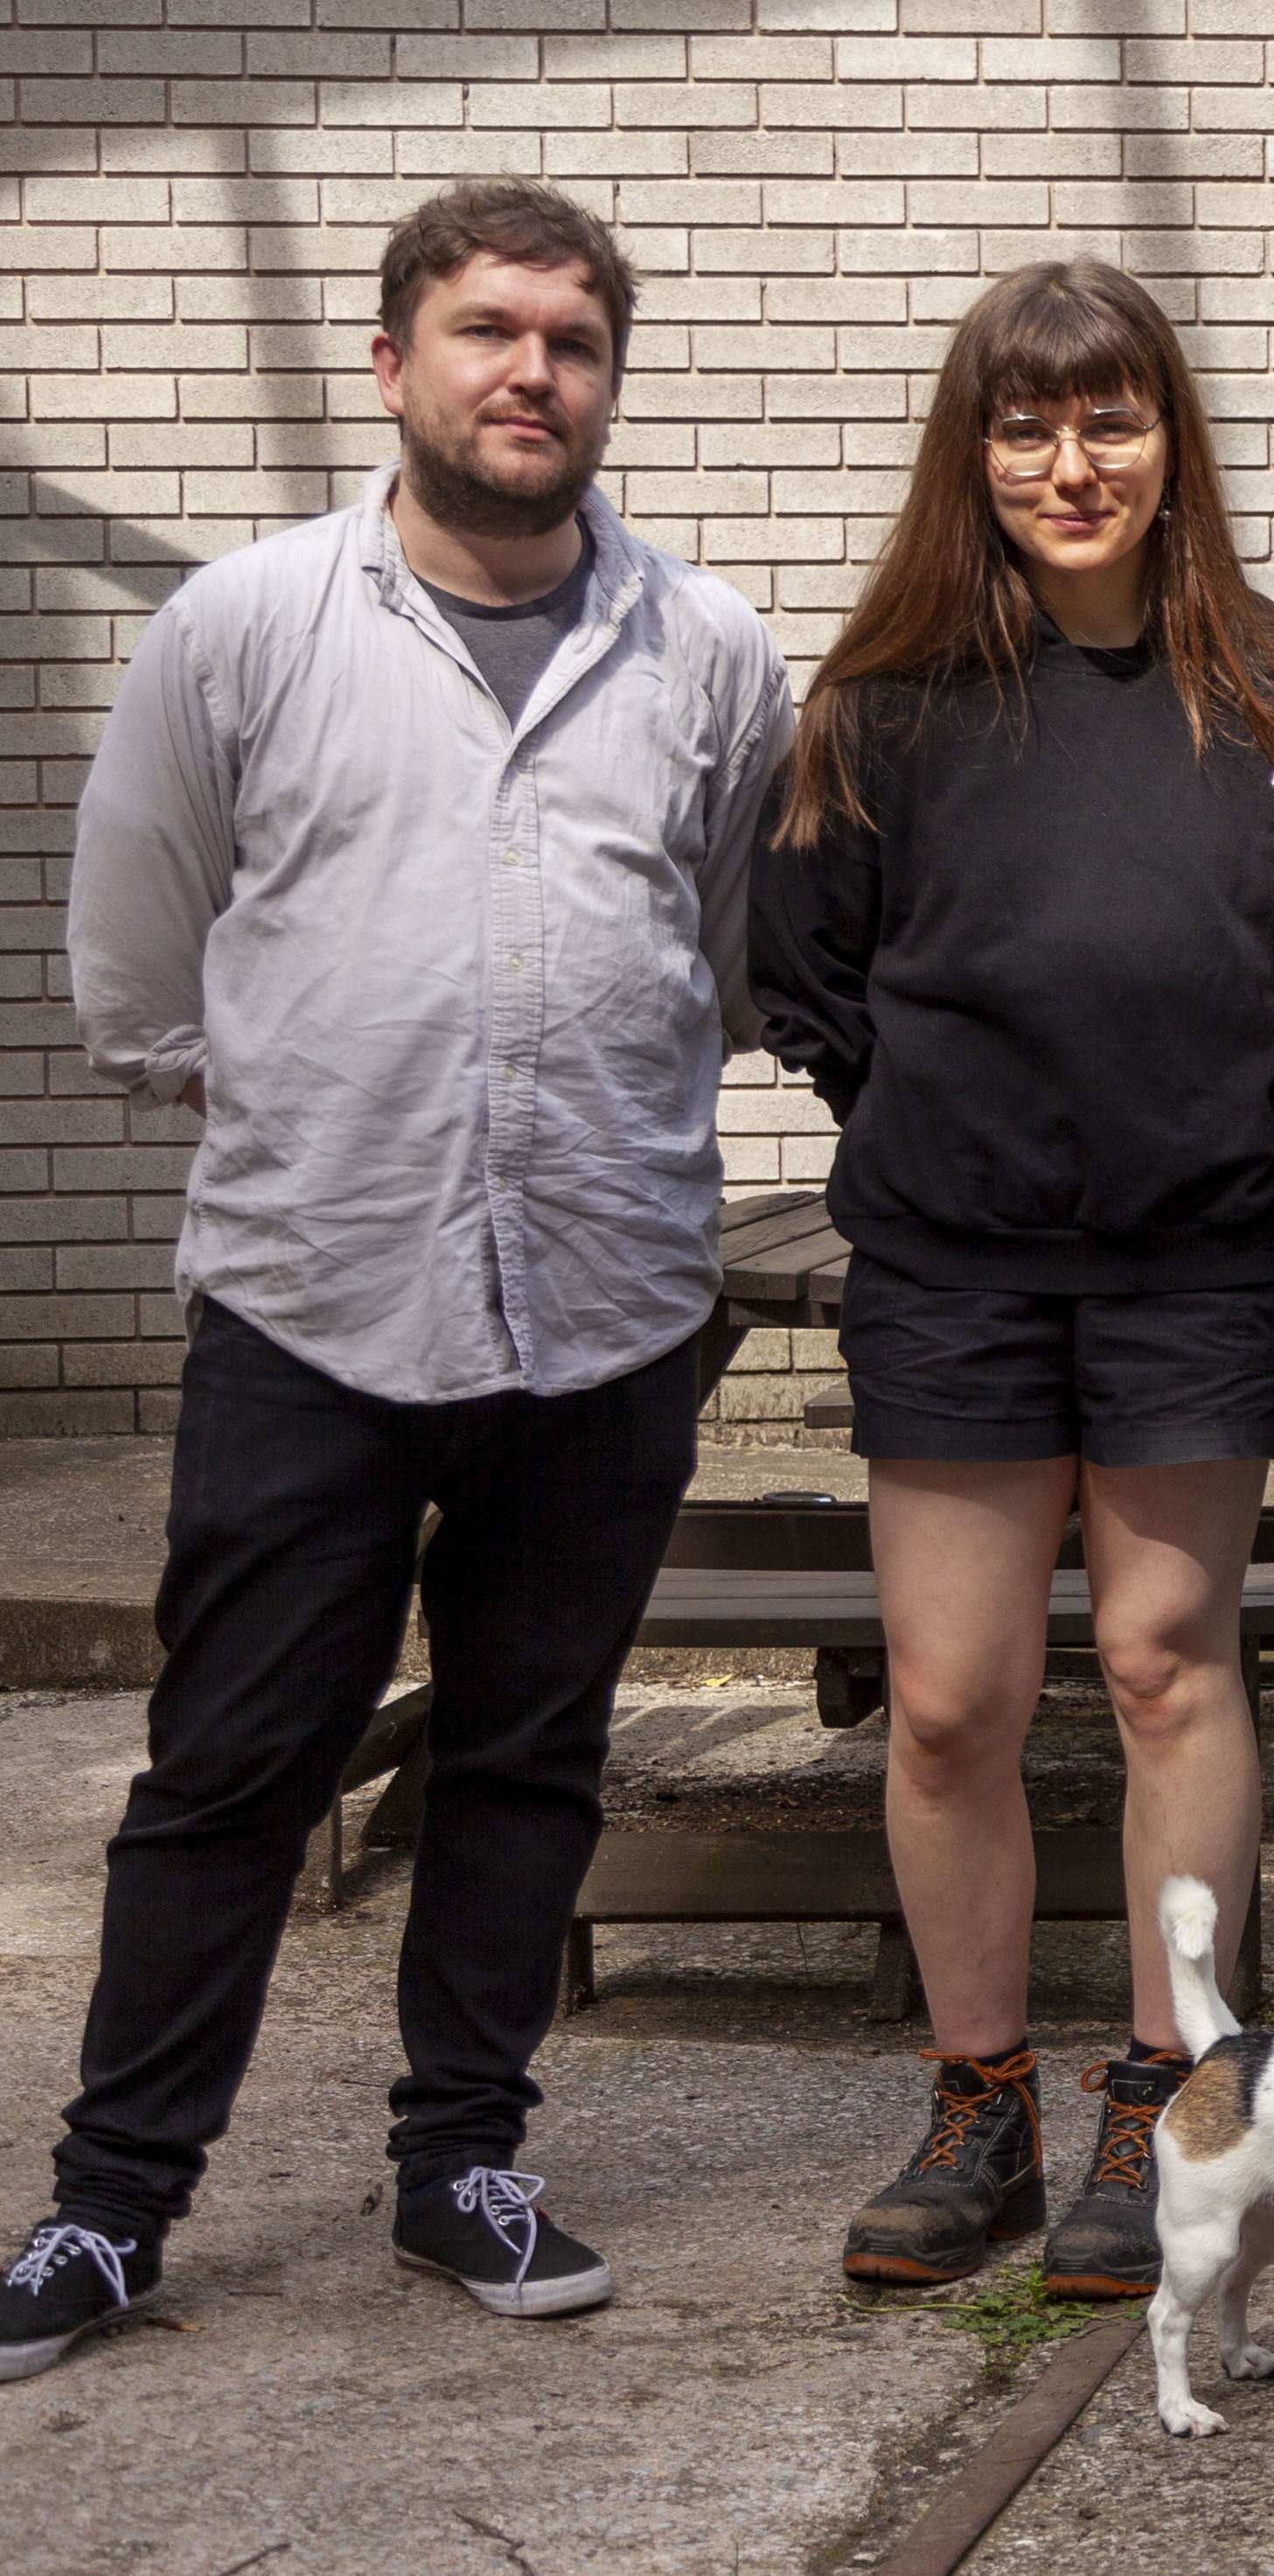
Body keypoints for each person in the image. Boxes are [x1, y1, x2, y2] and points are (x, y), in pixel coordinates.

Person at [10, 182, 791, 2377]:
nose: (528, 371)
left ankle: (461, 2156)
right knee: (227, 1768)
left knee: (528, 1756)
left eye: (570, 339)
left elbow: (720, 964)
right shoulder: (245, 629)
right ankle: (109, 2206)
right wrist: (330, 1116)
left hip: (609, 1308)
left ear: (610, 381)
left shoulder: (710, 655)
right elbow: (144, 978)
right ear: (393, 363)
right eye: (483, 330)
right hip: (311, 1308)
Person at [752, 261, 1274, 2301]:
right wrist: (959, 1117)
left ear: (1175, 442)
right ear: (971, 454)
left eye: (1110, 420)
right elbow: (811, 975)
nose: (1071, 463)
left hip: (1206, 1261)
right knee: (948, 1700)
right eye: (1026, 425)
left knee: (1169, 1660)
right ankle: (975, 2087)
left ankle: (1166, 2092)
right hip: (958, 1263)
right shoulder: (884, 698)